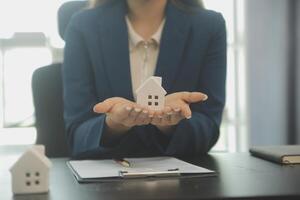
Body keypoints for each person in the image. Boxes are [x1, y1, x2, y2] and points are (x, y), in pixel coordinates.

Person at [63, 0, 226, 159]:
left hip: (184, 176)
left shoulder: (209, 26)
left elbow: (208, 129)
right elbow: (77, 137)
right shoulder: (83, 26)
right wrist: (114, 124)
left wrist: (170, 125)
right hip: (105, 175)